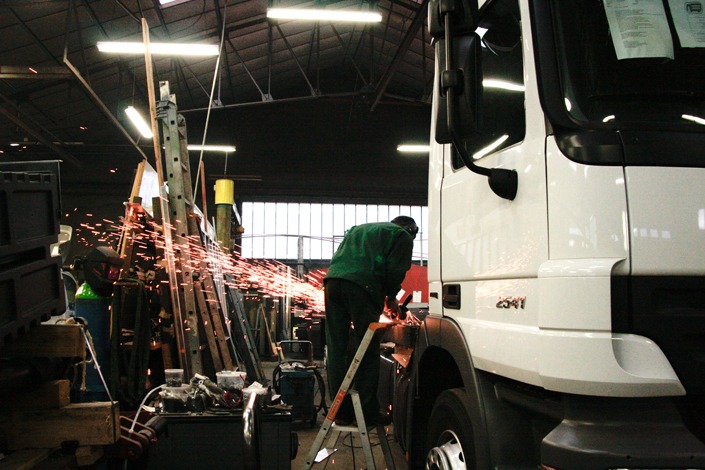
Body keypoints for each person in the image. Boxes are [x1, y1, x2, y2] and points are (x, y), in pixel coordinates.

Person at [324, 215, 418, 426]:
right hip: (362, 286)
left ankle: (340, 410)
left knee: (337, 346)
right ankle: (366, 412)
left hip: (332, 283)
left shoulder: (361, 229)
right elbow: (395, 271)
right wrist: (391, 297)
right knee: (367, 345)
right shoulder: (402, 236)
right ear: (410, 230)